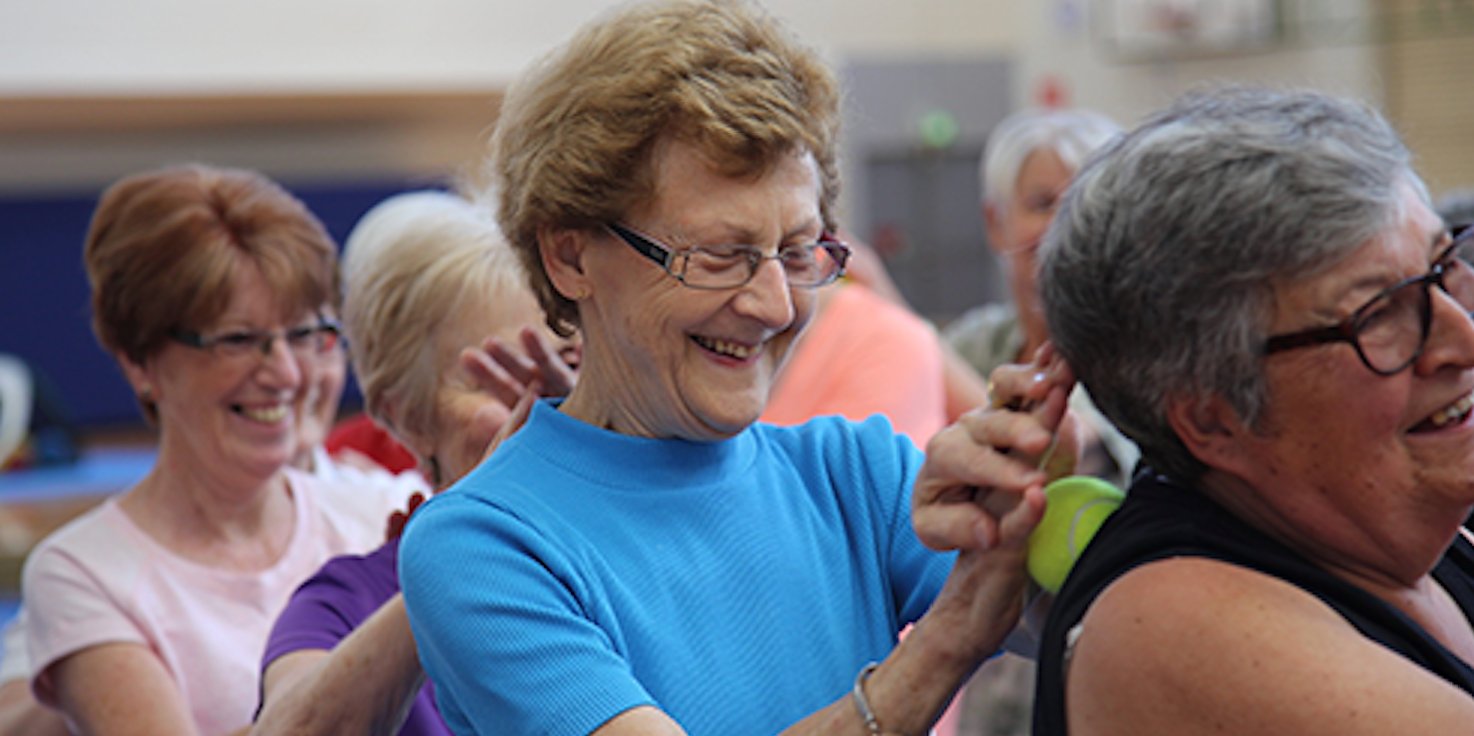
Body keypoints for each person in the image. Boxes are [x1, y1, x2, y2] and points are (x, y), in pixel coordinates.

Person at [399, 3, 1047, 736]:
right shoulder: (484, 543)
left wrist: (1039, 508)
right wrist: (944, 642)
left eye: (799, 253)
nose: (774, 304)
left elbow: (1095, 620)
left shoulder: (855, 477)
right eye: (718, 256)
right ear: (571, 257)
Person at [966, 86, 1474, 735]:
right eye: (1378, 315)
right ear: (1212, 417)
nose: (1461, 340)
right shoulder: (1172, 621)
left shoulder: (1401, 535)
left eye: (1443, 268)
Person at [16, 164, 417, 736]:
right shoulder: (84, 573)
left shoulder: (383, 511)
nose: (283, 372)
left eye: (303, 334)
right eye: (237, 340)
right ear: (140, 361)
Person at [253, 189, 580, 736]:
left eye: (566, 365)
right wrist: (467, 546)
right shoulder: (346, 601)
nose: (541, 409)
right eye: (497, 378)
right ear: (404, 416)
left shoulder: (648, 553)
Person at [941, 109, 1136, 485]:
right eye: (1043, 204)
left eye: (1087, 206)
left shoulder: (1140, 355)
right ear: (995, 223)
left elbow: (1054, 452)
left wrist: (899, 326)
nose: (1063, 225)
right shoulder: (977, 341)